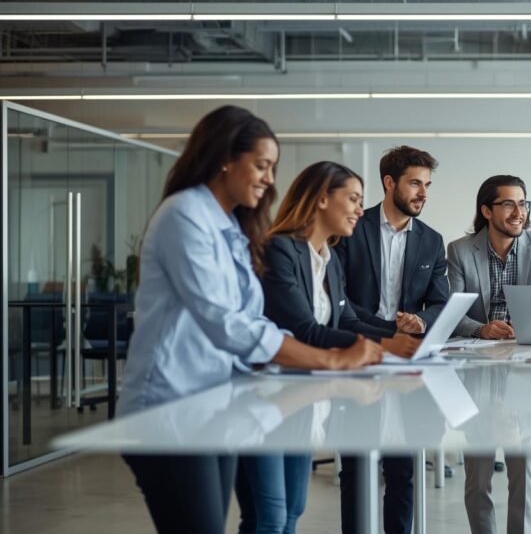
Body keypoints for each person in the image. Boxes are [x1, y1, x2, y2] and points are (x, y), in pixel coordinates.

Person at [117, 105, 381, 534]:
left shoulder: (231, 227)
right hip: (169, 409)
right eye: (261, 165)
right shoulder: (184, 216)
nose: (269, 179)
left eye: (273, 168)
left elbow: (252, 321)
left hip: (216, 405)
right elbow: (226, 323)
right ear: (225, 158)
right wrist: (331, 359)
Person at [235, 161, 422, 534]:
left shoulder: (329, 258)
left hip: (303, 398)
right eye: (352, 199)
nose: (359, 210)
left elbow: (347, 321)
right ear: (322, 198)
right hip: (265, 399)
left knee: (292, 511)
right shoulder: (279, 251)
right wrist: (386, 346)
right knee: (268, 518)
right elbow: (305, 330)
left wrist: (400, 342)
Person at [334, 145, 450, 534]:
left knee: (404, 469)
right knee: (357, 469)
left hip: (408, 364)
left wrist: (419, 320)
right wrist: (388, 332)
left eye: (427, 185)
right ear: (389, 182)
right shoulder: (352, 227)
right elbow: (339, 298)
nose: (423, 193)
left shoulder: (432, 240)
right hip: (360, 355)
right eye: (415, 183)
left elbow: (439, 302)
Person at [447, 175, 531, 534]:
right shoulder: (460, 250)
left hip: (524, 364)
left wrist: (521, 327)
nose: (518, 212)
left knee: (524, 474)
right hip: (477, 364)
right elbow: (453, 310)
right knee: (478, 478)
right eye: (508, 204)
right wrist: (482, 328)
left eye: (523, 203)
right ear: (486, 210)